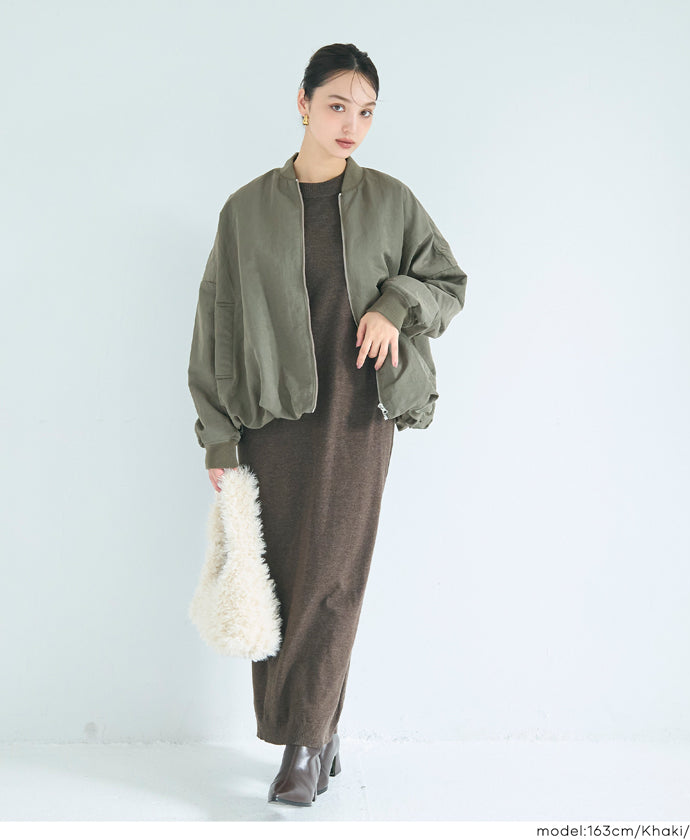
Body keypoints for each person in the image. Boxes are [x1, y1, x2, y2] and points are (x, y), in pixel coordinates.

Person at [187, 42, 468, 807]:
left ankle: (304, 746)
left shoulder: (391, 202)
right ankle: (319, 728)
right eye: (338, 105)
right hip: (271, 417)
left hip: (357, 412)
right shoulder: (247, 210)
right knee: (280, 578)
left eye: (366, 112)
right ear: (303, 103)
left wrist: (395, 305)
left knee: (335, 575)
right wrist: (218, 436)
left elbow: (447, 282)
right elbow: (215, 328)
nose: (351, 124)